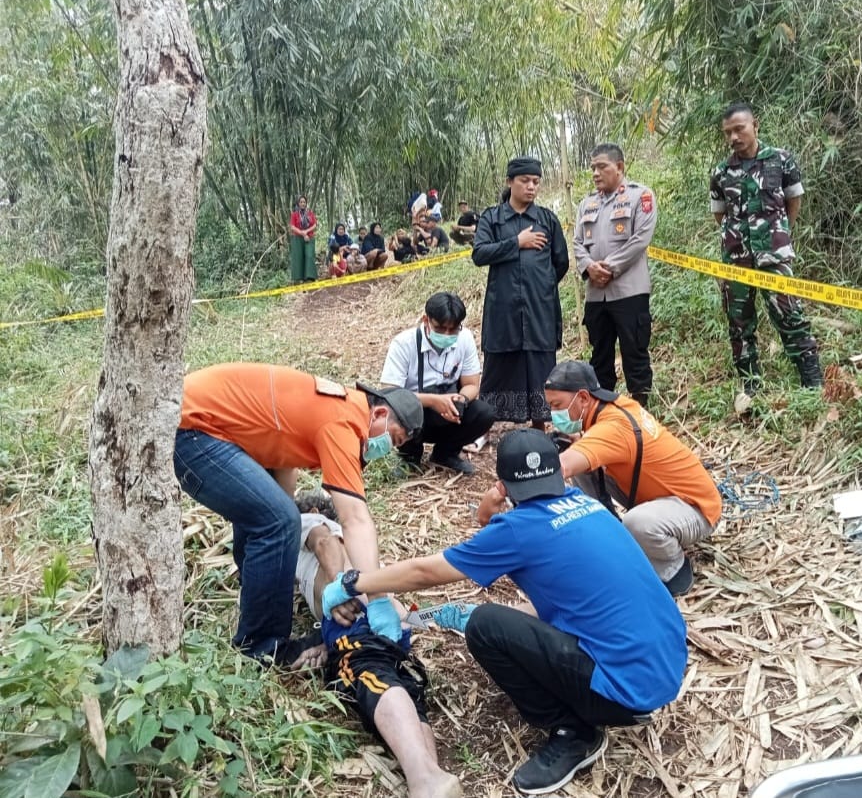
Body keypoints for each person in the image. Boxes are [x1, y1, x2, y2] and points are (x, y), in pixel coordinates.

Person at [334, 428, 688, 796]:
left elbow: (426, 572)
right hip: (667, 665)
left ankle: (573, 732)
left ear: (502, 486)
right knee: (520, 614)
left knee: (486, 625)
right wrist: (489, 515)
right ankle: (598, 703)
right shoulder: (589, 506)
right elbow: (564, 589)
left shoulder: (519, 528)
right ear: (558, 472)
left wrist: (356, 584)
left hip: (623, 692)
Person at [172, 363, 424, 665]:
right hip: (192, 430)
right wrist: (378, 597)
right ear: (380, 415)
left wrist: (276, 561)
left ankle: (255, 592)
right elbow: (355, 518)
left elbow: (282, 463)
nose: (387, 449)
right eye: (393, 440)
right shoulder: (344, 424)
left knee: (273, 515)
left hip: (203, 424)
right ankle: (262, 646)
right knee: (279, 521)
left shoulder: (335, 406)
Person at [293, 491, 463, 798]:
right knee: (400, 682)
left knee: (368, 672)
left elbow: (324, 542)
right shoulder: (362, 554)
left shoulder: (310, 522)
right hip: (386, 618)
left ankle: (425, 779)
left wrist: (338, 586)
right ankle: (432, 774)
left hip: (356, 613)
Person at [542, 360, 722, 596]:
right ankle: (612, 536)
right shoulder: (613, 407)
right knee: (585, 469)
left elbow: (562, 467)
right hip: (661, 498)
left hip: (697, 509)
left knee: (638, 524)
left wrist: (511, 483)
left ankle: (672, 569)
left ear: (583, 398)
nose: (555, 414)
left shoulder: (614, 427)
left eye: (558, 406)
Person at [709, 101, 822, 393]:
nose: (734, 137)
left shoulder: (781, 160)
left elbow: (792, 202)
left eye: (739, 129)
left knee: (788, 313)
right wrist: (738, 239)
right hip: (736, 259)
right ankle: (751, 384)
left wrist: (779, 232)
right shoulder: (721, 172)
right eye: (728, 133)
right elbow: (720, 214)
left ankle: (811, 379)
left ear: (754, 125)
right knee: (739, 322)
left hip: (774, 254)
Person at [472, 156, 570, 429]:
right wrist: (517, 242)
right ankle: (483, 428)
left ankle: (540, 425)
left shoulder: (547, 220)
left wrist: (540, 286)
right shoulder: (492, 218)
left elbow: (560, 262)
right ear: (510, 182)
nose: (531, 187)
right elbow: (479, 254)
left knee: (541, 365)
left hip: (540, 309)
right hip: (504, 307)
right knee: (500, 365)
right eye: (525, 181)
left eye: (536, 182)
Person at [573, 143, 658, 408]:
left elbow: (640, 239)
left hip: (629, 292)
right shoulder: (586, 203)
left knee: (634, 352)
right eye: (593, 168)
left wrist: (607, 267)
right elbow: (576, 243)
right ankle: (603, 412)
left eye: (602, 167)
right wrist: (588, 266)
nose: (595, 173)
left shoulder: (640, 196)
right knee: (600, 355)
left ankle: (640, 411)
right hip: (597, 296)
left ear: (619, 167)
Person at [380, 291, 496, 475]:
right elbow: (389, 393)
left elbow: (472, 384)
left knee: (484, 413)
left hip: (449, 413)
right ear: (426, 320)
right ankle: (409, 456)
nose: (447, 334)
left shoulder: (465, 338)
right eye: (440, 328)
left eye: (453, 329)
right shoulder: (404, 344)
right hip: (416, 416)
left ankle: (446, 453)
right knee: (402, 409)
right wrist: (434, 401)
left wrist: (461, 400)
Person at [289, 194, 318, 283]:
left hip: (309, 237)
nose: (303, 204)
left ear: (306, 203)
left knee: (309, 255)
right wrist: (302, 233)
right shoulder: (294, 214)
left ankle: (310, 277)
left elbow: (314, 225)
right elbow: (292, 227)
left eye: (304, 202)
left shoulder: (310, 213)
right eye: (301, 202)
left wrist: (306, 232)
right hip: (297, 238)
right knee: (298, 257)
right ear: (298, 203)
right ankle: (298, 278)